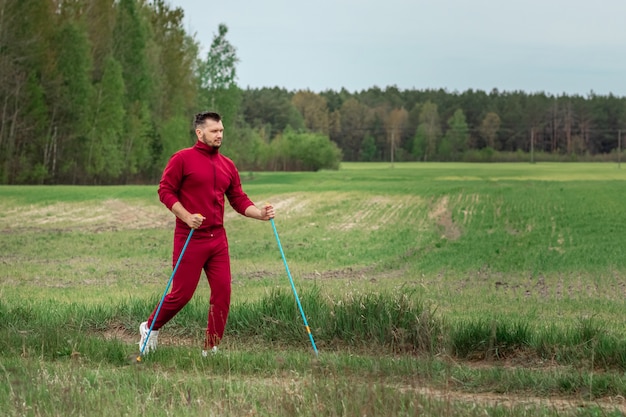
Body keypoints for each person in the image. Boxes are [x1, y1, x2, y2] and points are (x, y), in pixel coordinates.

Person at [139, 111, 275, 357]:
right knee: (181, 295)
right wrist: (186, 216)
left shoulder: (228, 165)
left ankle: (211, 349)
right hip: (190, 237)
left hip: (218, 240)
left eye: (221, 130)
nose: (219, 135)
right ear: (199, 133)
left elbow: (238, 199)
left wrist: (260, 214)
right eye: (214, 131)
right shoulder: (182, 159)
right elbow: (165, 191)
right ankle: (150, 327)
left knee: (223, 294)